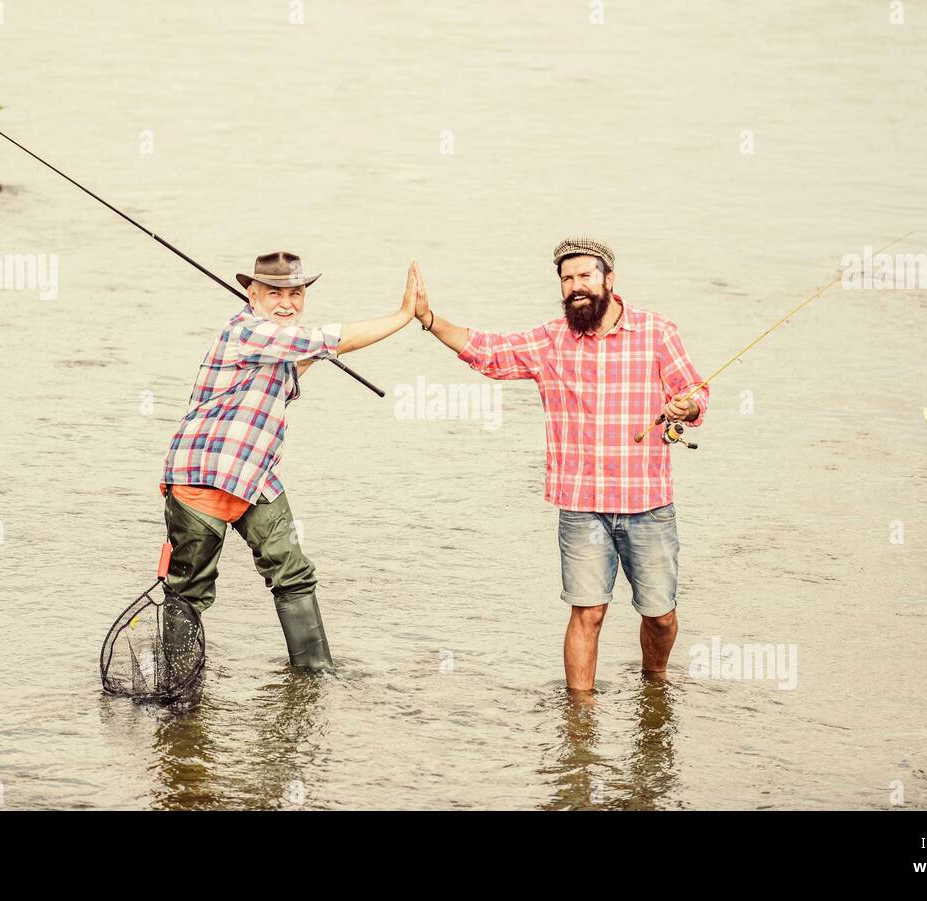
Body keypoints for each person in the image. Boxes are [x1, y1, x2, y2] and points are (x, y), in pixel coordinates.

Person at [413, 238, 708, 691]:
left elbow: (694, 392)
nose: (576, 287)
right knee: (587, 612)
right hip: (581, 506)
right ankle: (580, 719)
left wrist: (685, 408)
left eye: (585, 276)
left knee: (661, 617)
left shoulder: (657, 332)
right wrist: (430, 320)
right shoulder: (551, 341)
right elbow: (487, 351)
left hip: (648, 505)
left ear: (609, 279)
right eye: (567, 279)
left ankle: (656, 683)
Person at [160, 251, 422, 671]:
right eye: (274, 293)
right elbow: (328, 340)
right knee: (190, 590)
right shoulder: (249, 331)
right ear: (252, 293)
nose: (287, 302)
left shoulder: (273, 341)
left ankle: (314, 673)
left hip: (254, 476)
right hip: (203, 475)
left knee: (293, 572)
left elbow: (298, 359)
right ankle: (178, 688)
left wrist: (309, 355)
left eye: (295, 293)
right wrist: (402, 315)